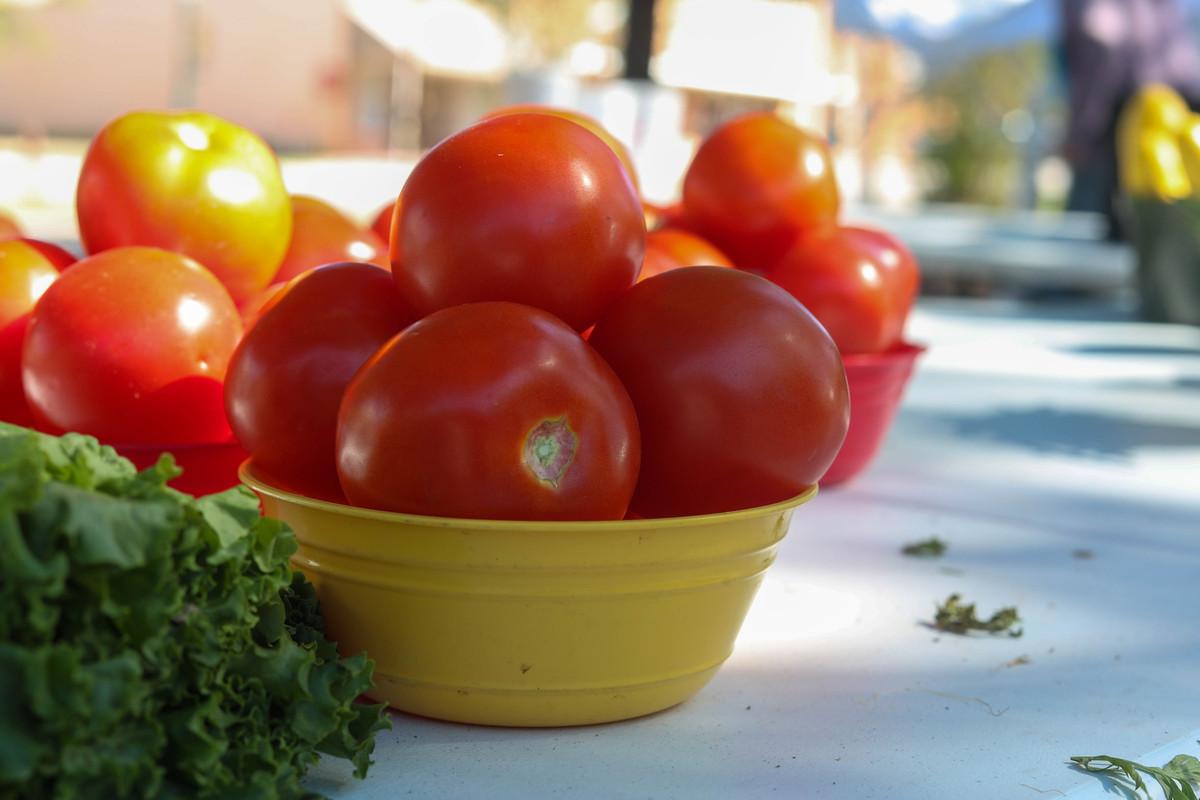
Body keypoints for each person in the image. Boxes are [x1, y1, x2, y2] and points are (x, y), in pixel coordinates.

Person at [1059, 0, 1200, 240]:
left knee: (1121, 230)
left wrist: (1082, 132)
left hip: (1133, 116)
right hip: (1176, 103)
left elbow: (1100, 39)